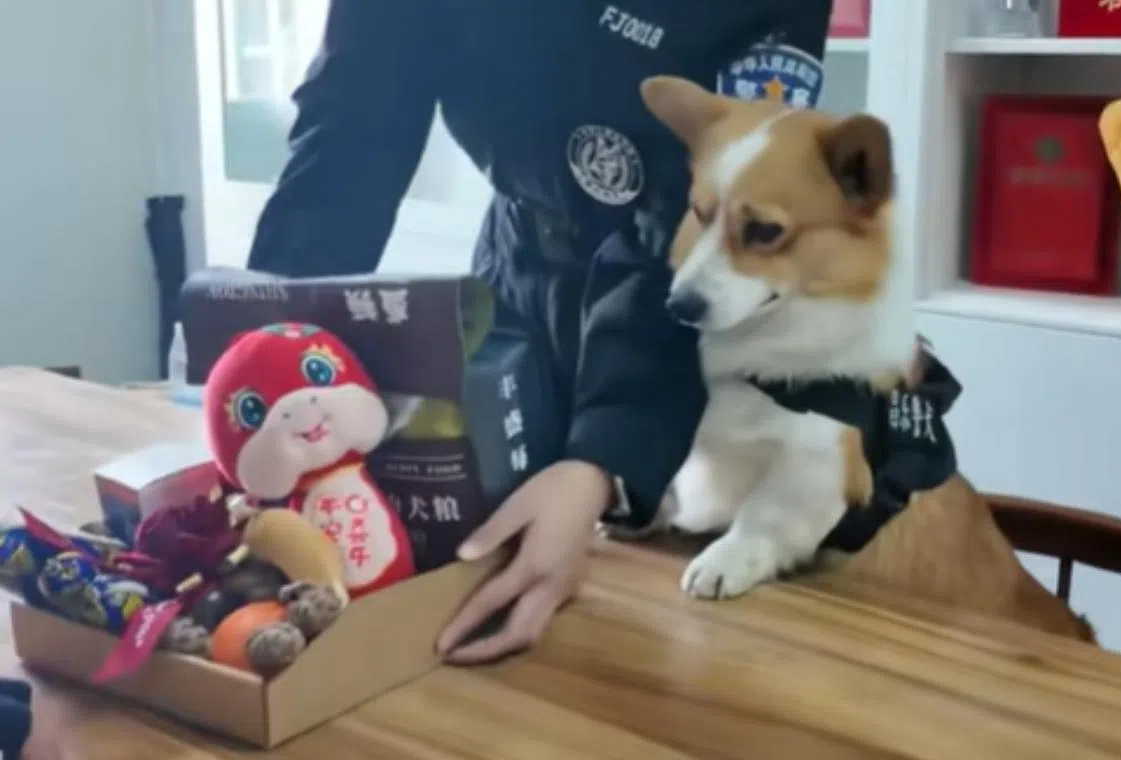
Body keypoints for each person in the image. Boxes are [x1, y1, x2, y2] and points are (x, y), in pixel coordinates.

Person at [247, 0, 834, 663]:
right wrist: (269, 346)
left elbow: (712, 203)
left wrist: (603, 462)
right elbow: (351, 128)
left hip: (693, 310)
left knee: (692, 631)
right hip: (518, 268)